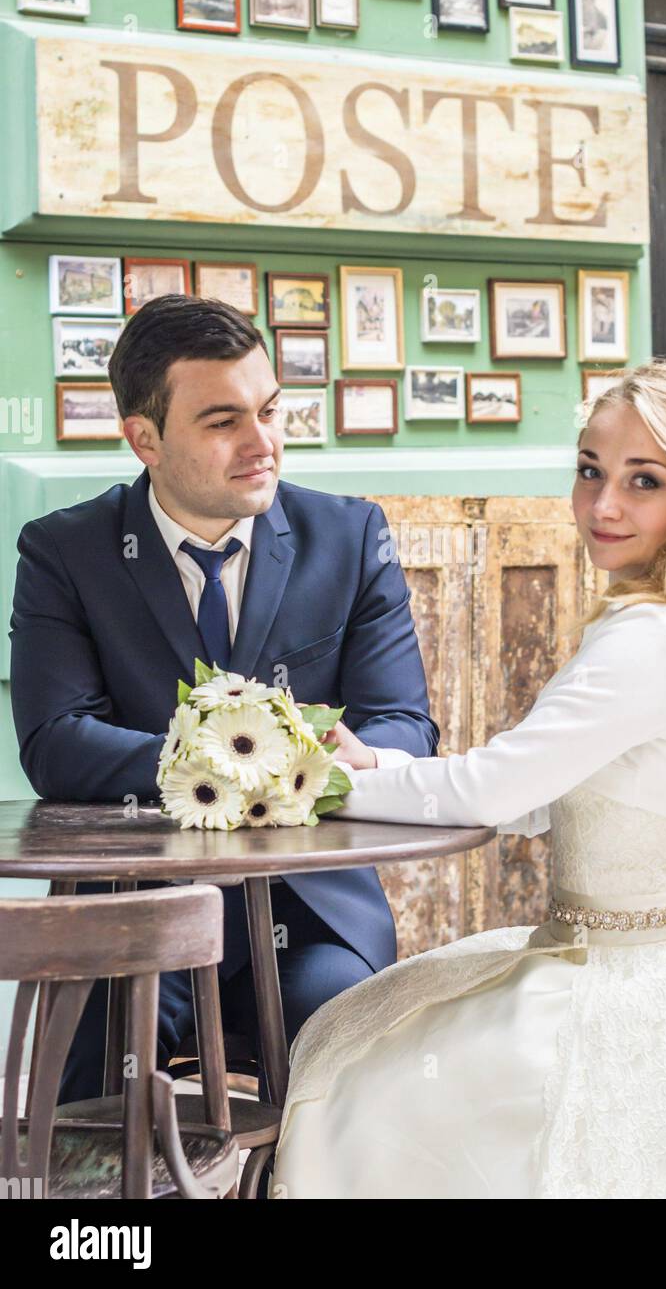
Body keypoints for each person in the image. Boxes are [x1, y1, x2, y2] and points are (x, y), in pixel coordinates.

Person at [270, 357, 666, 1200]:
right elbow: (550, 796)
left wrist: (321, 783)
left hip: (652, 978)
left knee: (365, 1072)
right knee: (369, 1037)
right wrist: (383, 764)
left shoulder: (650, 639)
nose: (603, 504)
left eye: (642, 481)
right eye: (591, 470)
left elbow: (495, 794)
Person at [9, 294, 437, 1134]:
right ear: (145, 438)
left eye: (270, 410)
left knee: (353, 1079)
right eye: (223, 421)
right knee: (97, 1098)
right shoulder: (65, 552)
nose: (263, 443)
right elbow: (57, 743)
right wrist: (226, 760)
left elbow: (402, 726)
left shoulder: (349, 538)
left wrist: (338, 760)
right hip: (140, 907)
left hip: (311, 909)